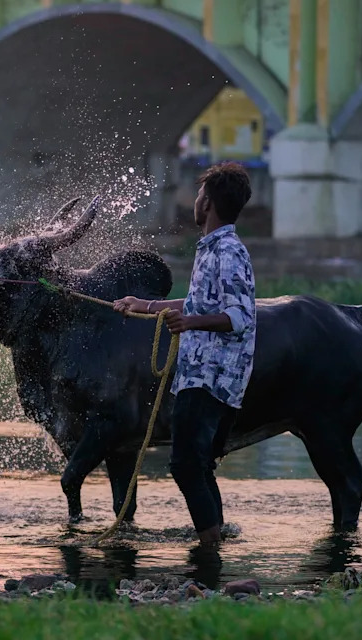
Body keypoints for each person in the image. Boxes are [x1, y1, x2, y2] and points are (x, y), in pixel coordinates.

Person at [113, 162, 256, 546]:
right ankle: (216, 544)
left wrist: (189, 323)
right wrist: (142, 305)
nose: (194, 202)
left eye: (197, 195)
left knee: (185, 465)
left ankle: (209, 546)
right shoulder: (212, 249)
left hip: (212, 377)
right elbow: (196, 303)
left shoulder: (228, 251)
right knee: (200, 465)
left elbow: (240, 317)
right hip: (199, 373)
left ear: (206, 203)